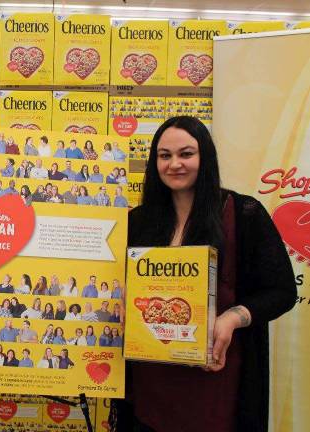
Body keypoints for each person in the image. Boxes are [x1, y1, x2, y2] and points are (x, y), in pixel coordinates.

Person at [114, 116, 296, 432]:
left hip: (216, 382)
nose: (174, 164)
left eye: (186, 154)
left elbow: (282, 292)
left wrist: (232, 318)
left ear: (205, 157)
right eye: (164, 155)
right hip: (150, 382)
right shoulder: (139, 221)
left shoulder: (244, 214)